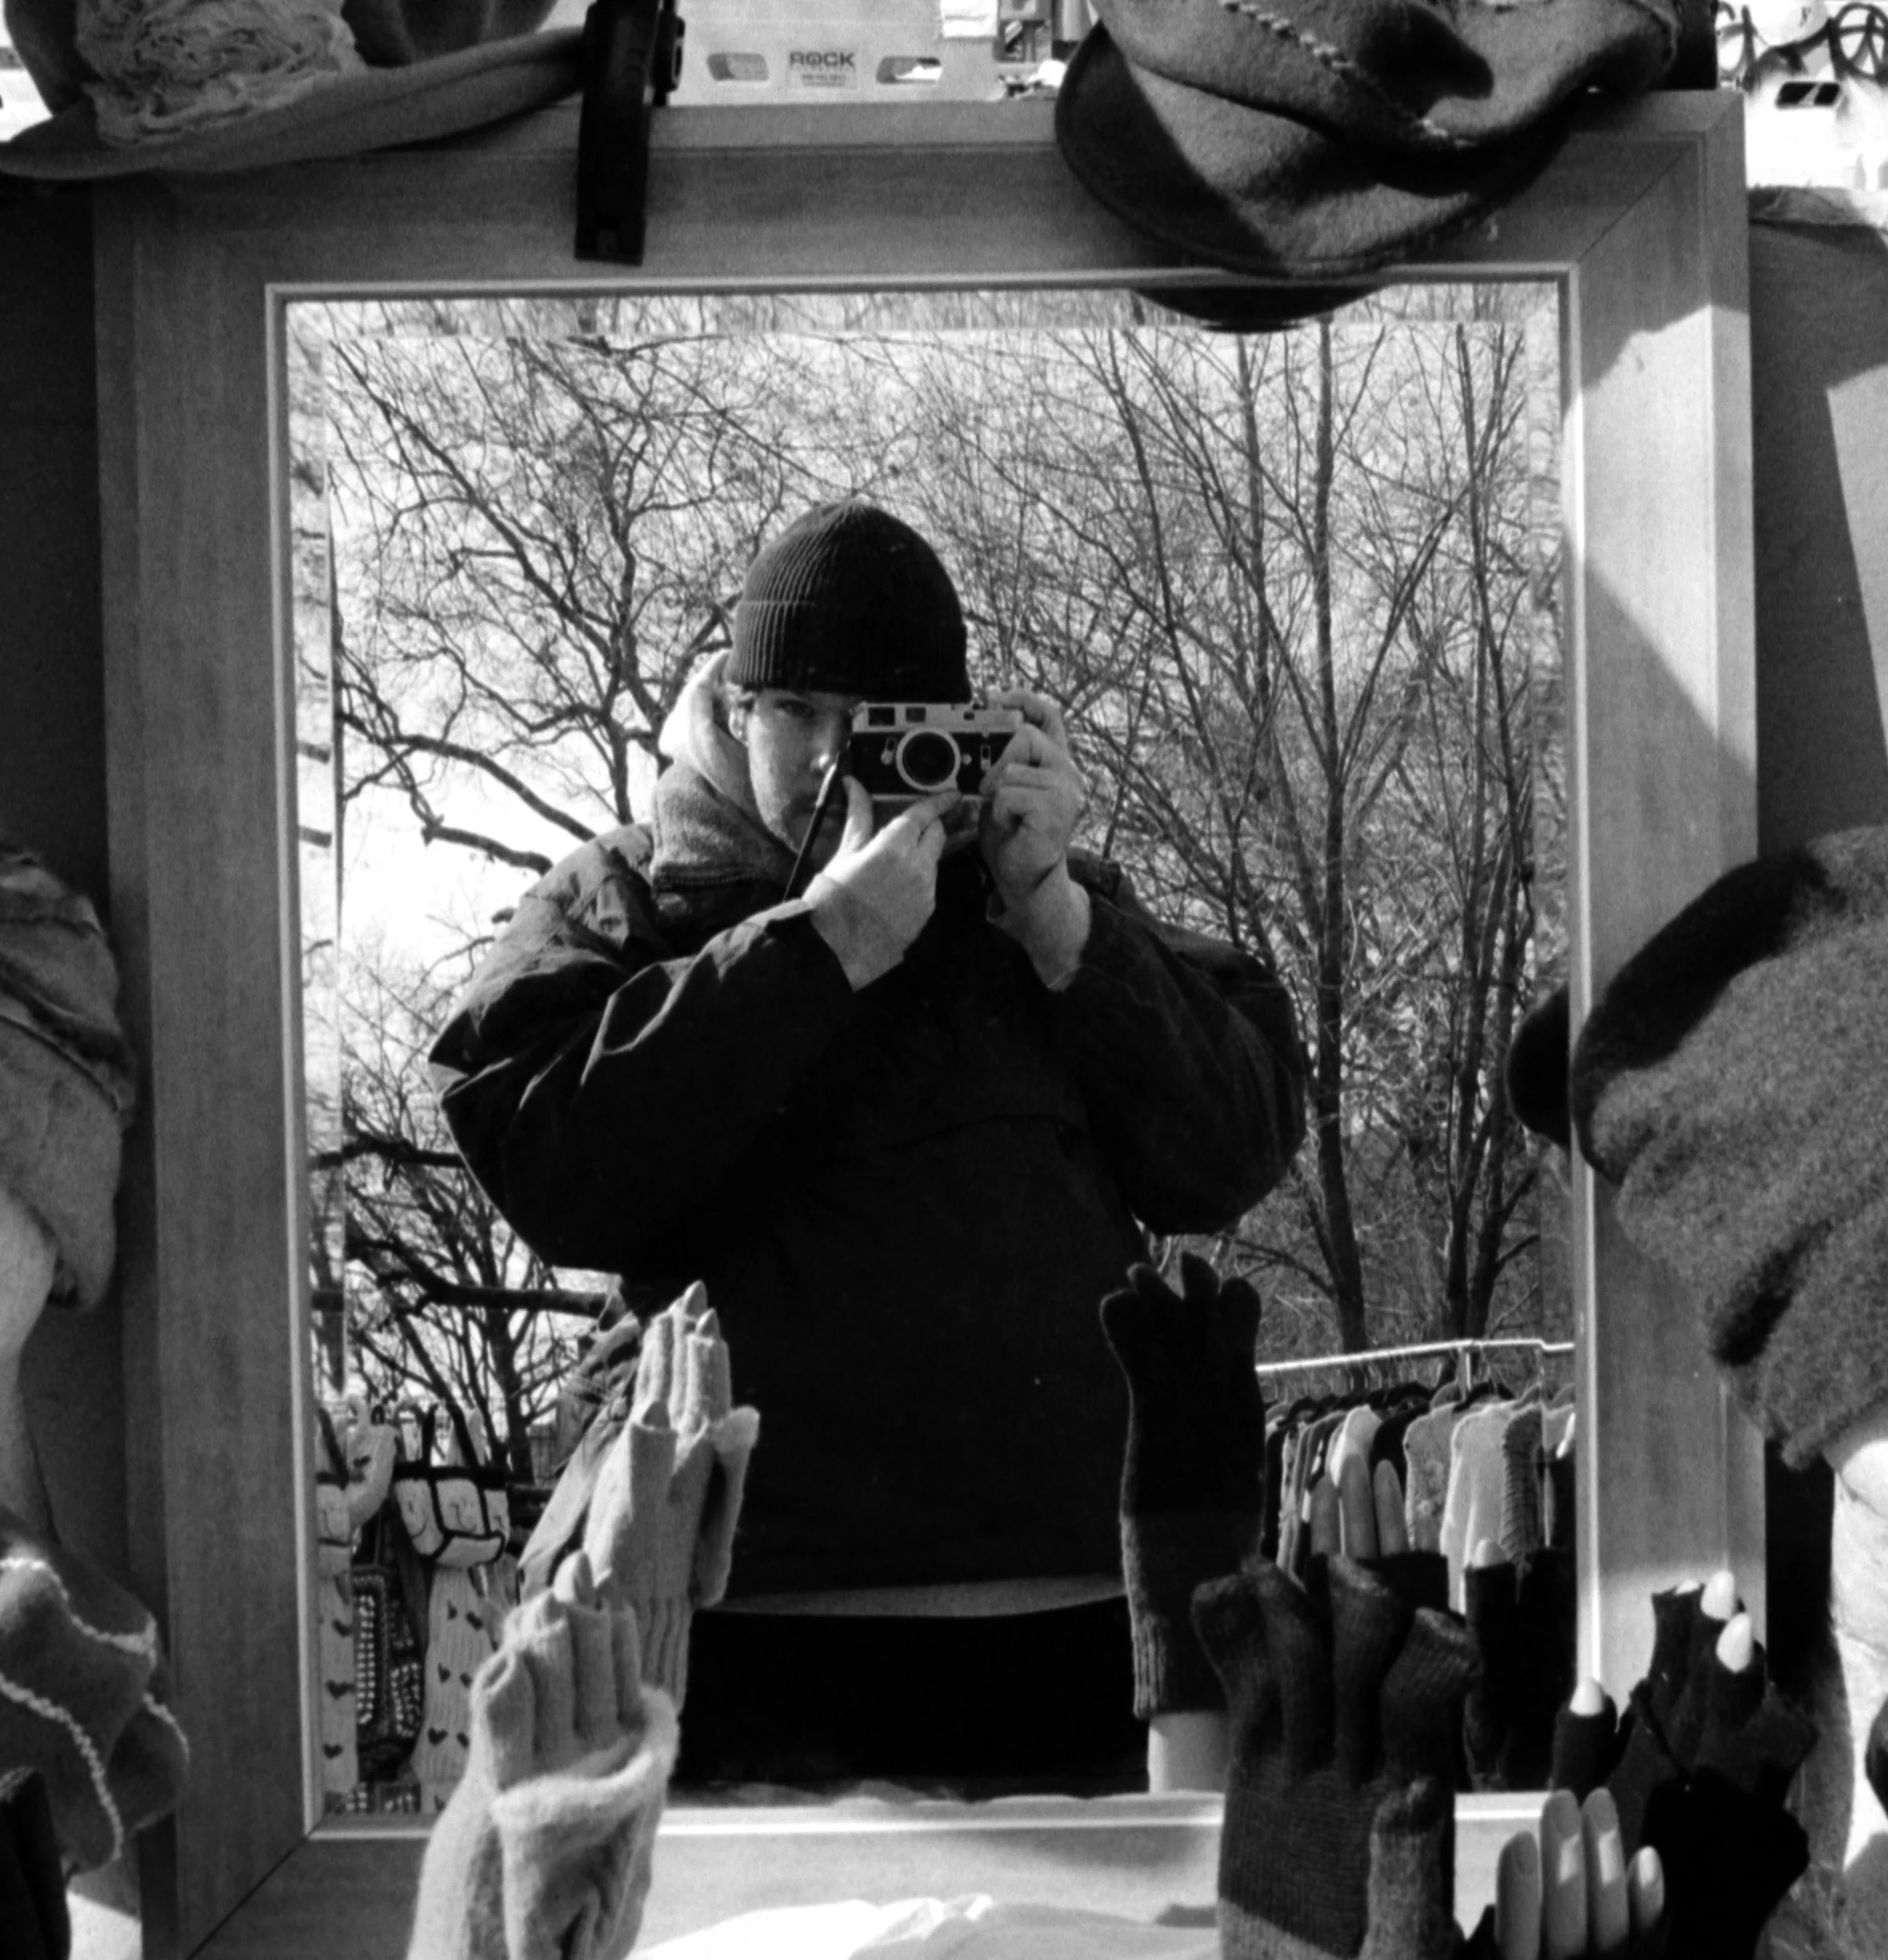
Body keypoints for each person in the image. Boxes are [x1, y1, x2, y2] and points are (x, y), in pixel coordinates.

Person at [428, 499, 1307, 1790]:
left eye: (894, 727)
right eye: (809, 713)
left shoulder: (1039, 898)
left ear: (968, 730)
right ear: (736, 707)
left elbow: (1232, 1145)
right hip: (743, 1617)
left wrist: (1063, 923)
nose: (847, 758)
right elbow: (544, 1155)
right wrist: (817, 947)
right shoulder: (635, 896)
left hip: (1064, 1619)